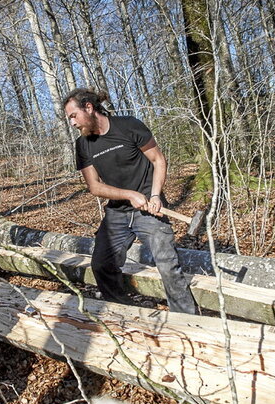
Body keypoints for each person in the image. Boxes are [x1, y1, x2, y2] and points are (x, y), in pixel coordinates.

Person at [63, 89, 197, 314]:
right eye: (69, 119)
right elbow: (95, 186)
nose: (73, 123)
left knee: (167, 265)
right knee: (102, 265)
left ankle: (187, 320)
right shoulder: (83, 145)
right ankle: (123, 312)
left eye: (74, 115)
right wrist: (129, 195)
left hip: (150, 210)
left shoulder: (128, 126)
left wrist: (155, 195)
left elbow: (158, 160)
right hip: (117, 212)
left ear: (88, 107)